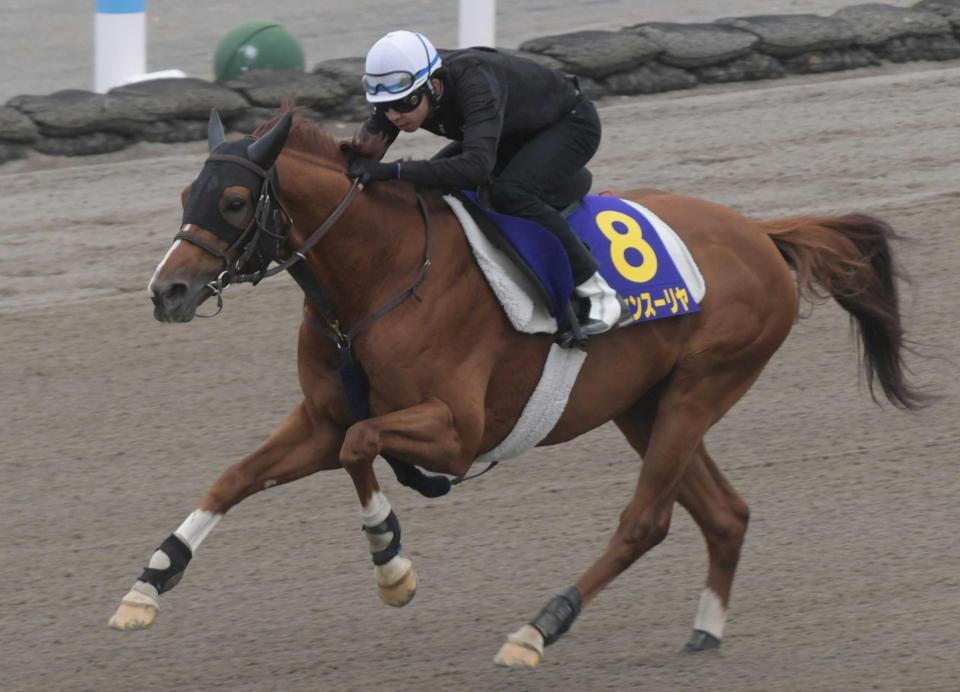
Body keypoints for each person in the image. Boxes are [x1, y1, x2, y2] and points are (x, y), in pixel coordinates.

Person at [348, 30, 626, 337]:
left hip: (570, 123)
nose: (394, 116)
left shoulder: (474, 81)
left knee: (510, 192)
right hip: (511, 130)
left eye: (404, 103)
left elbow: (476, 168)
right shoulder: (402, 94)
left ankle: (600, 294)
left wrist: (394, 171)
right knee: (428, 186)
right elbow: (360, 154)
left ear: (434, 84)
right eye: (384, 106)